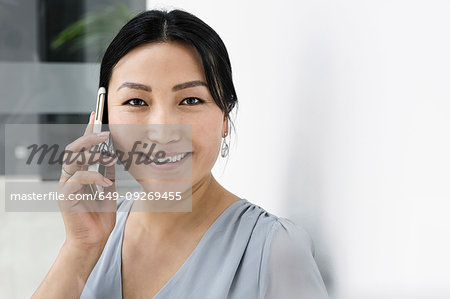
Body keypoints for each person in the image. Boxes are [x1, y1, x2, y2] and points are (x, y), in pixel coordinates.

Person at [31, 8, 329, 299]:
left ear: (225, 117)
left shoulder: (274, 250)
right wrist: (79, 250)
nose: (163, 130)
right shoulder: (95, 230)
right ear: (103, 119)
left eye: (190, 100)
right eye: (136, 102)